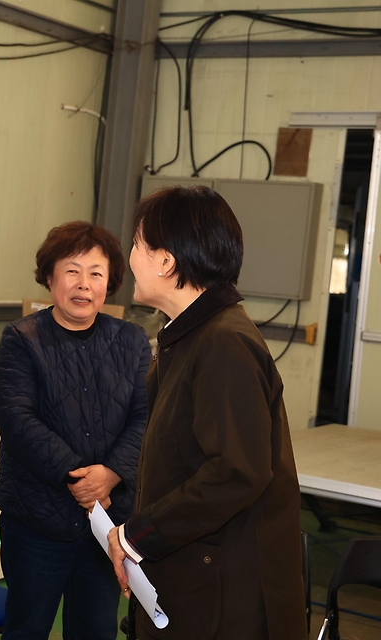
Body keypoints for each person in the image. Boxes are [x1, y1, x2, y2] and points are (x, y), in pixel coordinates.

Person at [106, 185, 307, 639]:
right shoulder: (187, 337)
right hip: (193, 577)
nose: (131, 256)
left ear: (166, 260)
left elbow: (237, 472)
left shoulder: (224, 343)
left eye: (138, 244)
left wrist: (139, 536)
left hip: (223, 598)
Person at [0, 222, 150, 640]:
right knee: (27, 628)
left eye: (96, 273)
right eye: (72, 271)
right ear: (49, 277)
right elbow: (16, 418)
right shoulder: (21, 340)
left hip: (108, 525)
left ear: (110, 282)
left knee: (96, 630)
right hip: (36, 520)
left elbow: (145, 415)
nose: (84, 285)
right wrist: (80, 477)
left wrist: (111, 474)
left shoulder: (131, 341)